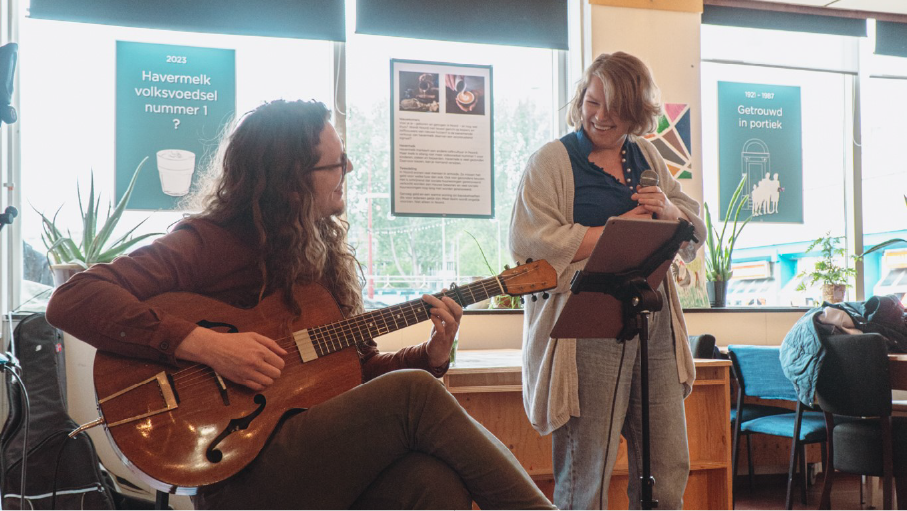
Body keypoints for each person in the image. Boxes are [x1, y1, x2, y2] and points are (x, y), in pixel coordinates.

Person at [46, 99, 555, 510]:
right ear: (290, 180)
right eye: (336, 164)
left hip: (310, 456)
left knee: (432, 480)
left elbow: (350, 376)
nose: (347, 171)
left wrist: (432, 354)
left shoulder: (319, 254)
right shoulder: (209, 242)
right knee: (416, 396)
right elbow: (73, 299)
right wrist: (207, 347)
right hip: (239, 474)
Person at [509, 52, 706, 510]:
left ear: (636, 114)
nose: (598, 116)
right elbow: (529, 244)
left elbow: (693, 228)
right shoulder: (551, 162)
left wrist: (669, 213)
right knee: (588, 471)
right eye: (591, 102)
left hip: (652, 318)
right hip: (587, 323)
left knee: (667, 466)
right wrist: (617, 229)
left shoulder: (648, 155)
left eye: (613, 109)